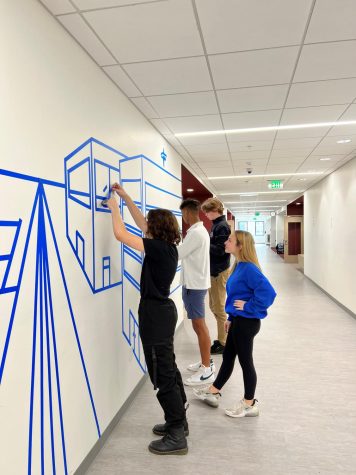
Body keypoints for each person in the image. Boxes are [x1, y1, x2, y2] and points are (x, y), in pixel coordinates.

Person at [107, 183, 188, 455]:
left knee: (161, 373)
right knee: (168, 368)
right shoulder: (166, 246)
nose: (146, 226)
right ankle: (179, 422)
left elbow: (120, 234)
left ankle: (177, 432)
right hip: (162, 311)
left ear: (156, 229)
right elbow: (142, 222)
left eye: (149, 224)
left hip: (155, 314)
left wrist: (114, 208)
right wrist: (127, 197)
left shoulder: (158, 249)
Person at [193, 231, 276, 418]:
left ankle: (249, 403)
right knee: (229, 357)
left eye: (230, 240)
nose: (226, 242)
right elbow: (236, 295)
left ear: (240, 246)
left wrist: (249, 305)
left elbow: (269, 293)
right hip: (239, 321)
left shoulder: (249, 269)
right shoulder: (238, 265)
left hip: (247, 323)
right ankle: (213, 390)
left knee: (246, 362)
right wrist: (231, 317)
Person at [178, 199, 215, 386]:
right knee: (197, 325)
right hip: (194, 284)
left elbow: (178, 254)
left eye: (183, 214)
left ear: (188, 213)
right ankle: (205, 362)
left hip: (194, 285)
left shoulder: (196, 234)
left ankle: (206, 369)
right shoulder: (198, 232)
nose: (183, 218)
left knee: (199, 326)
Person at [201, 198, 231, 354]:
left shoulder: (222, 227)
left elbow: (221, 250)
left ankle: (223, 342)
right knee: (213, 306)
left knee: (219, 308)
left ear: (215, 210)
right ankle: (222, 338)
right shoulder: (216, 225)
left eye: (207, 211)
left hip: (219, 272)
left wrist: (205, 242)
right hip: (214, 271)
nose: (205, 214)